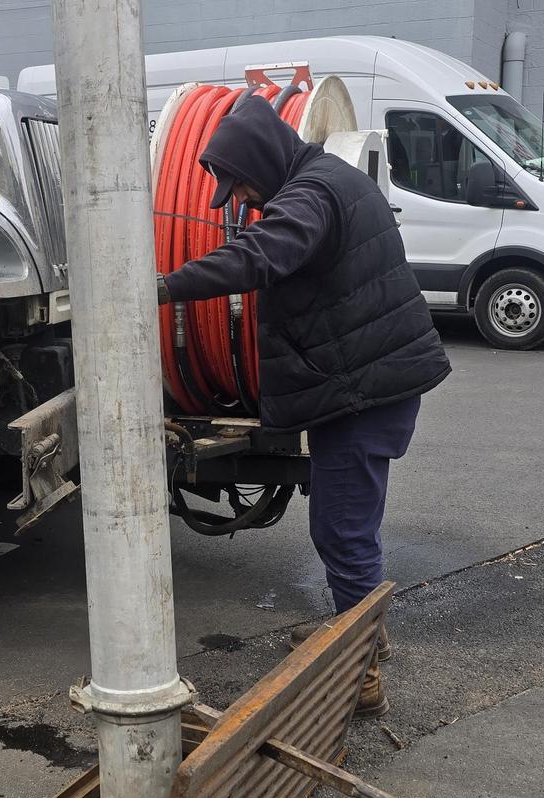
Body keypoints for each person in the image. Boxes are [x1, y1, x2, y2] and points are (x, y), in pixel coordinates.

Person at [157, 95, 451, 718]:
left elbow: (261, 255)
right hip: (370, 383)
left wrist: (160, 286)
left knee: (342, 532)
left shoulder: (310, 196)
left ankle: (363, 668)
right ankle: (357, 634)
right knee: (349, 527)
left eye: (239, 187)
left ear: (261, 162)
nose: (240, 203)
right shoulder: (328, 180)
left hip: (362, 394)